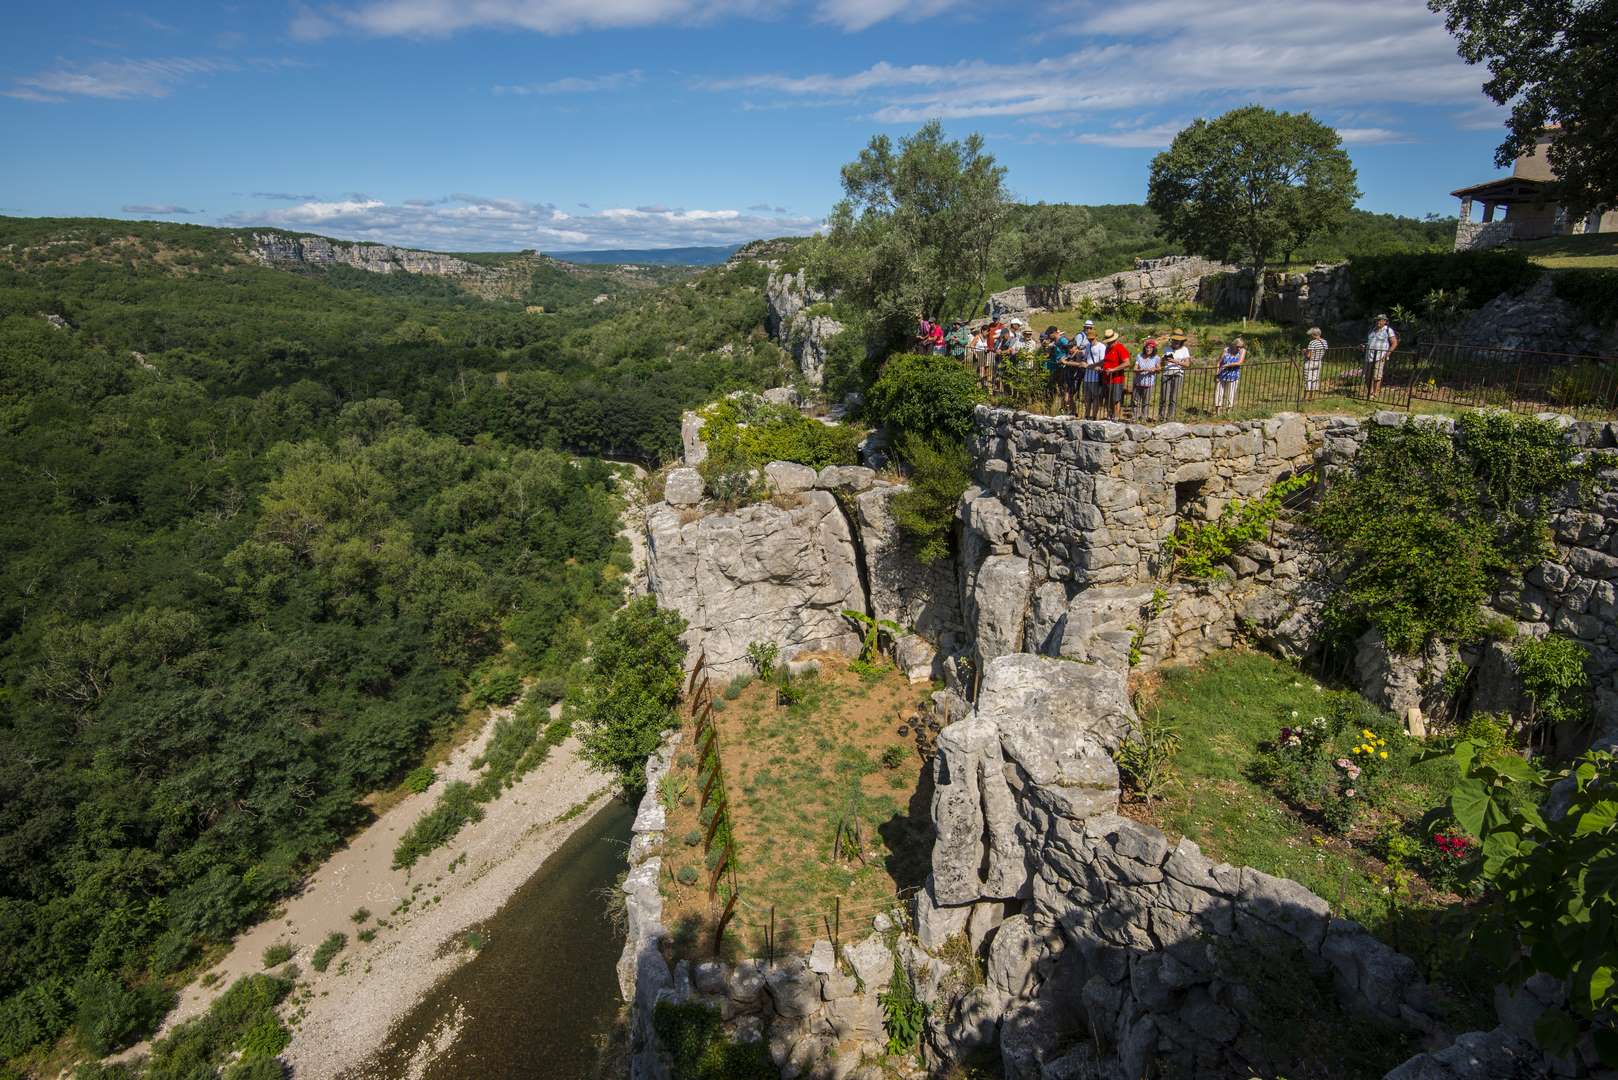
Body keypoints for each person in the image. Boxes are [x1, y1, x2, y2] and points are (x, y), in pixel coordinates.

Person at [1160, 329, 1191, 420]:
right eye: (1174, 340)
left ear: (1181, 341)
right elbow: (1161, 364)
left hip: (1178, 374)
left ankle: (1170, 417)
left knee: (1173, 397)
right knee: (1164, 397)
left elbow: (1187, 364)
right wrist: (1163, 360)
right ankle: (1161, 417)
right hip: (1166, 373)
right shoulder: (1167, 348)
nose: (1176, 342)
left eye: (1178, 340)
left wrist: (1175, 361)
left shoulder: (1185, 349)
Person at [1100, 329, 1131, 422]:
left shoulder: (1120, 348)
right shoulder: (1107, 349)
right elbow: (1105, 361)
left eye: (1110, 342)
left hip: (1117, 379)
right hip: (1106, 378)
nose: (1108, 344)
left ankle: (1116, 417)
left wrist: (1113, 370)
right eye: (1108, 342)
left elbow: (1127, 363)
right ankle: (1110, 416)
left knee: (1116, 399)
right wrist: (1096, 366)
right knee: (1108, 399)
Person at [1364, 314, 1396, 396]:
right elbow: (1369, 342)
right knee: (1367, 376)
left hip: (1380, 356)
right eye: (1377, 320)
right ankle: (1370, 392)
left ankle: (1375, 394)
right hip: (1369, 356)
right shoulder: (1372, 330)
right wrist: (1363, 346)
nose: (1378, 321)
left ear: (1385, 321)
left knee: (1377, 376)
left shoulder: (1388, 330)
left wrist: (1387, 354)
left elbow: (1394, 343)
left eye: (1380, 320)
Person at [1133, 337, 1162, 422]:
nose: (1148, 349)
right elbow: (1135, 369)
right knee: (1135, 401)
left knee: (1146, 402)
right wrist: (1140, 370)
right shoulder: (1139, 356)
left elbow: (1159, 369)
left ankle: (1143, 418)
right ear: (1144, 348)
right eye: (1147, 347)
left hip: (1149, 383)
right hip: (1138, 382)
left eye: (1150, 347)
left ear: (1153, 348)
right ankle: (1135, 418)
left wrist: (1155, 369)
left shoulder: (1156, 358)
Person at [1214, 336, 1245, 413]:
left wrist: (1227, 365)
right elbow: (1219, 362)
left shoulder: (1242, 351)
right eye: (1238, 347)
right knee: (1219, 393)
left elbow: (1239, 362)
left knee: (1231, 394)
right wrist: (1217, 373)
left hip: (1233, 375)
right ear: (1233, 345)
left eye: (1241, 347)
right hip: (1222, 374)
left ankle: (1228, 412)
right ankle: (1218, 412)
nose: (1239, 348)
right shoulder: (1226, 350)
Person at [1083, 331, 1107, 420]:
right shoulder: (1088, 346)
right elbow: (1085, 358)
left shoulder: (1101, 347)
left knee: (1096, 397)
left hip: (1096, 377)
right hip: (1087, 376)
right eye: (1089, 339)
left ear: (1096, 337)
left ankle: (1094, 416)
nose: (1090, 341)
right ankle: (1087, 415)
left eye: (1092, 339)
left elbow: (1103, 361)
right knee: (1087, 398)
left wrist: (1090, 366)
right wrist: (1083, 363)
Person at [1304, 326, 1327, 395]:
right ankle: (1312, 396)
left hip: (1310, 363)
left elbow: (1309, 356)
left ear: (1313, 335)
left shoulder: (1312, 342)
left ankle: (1305, 397)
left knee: (1307, 379)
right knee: (1315, 379)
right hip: (1319, 362)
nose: (1310, 337)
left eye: (1310, 335)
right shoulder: (1324, 342)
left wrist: (1304, 352)